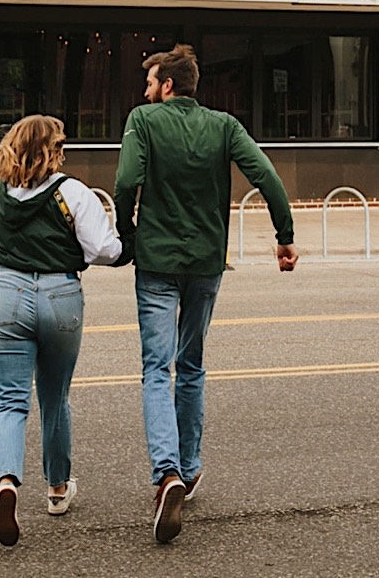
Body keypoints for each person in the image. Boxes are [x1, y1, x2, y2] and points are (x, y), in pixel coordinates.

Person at [114, 43, 298, 544]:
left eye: (151, 82)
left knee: (157, 367)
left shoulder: (144, 121)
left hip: (156, 262)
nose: (146, 90)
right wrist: (284, 237)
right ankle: (190, 470)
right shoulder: (224, 126)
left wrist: (125, 230)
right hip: (205, 262)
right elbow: (266, 176)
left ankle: (167, 471)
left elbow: (127, 178)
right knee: (190, 363)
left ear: (168, 85)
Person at [0, 114, 122, 546]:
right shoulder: (74, 192)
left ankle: (7, 484)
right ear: (51, 150)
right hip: (60, 294)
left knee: (10, 401)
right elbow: (103, 248)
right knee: (54, 396)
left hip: (6, 290)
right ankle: (58, 488)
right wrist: (121, 248)